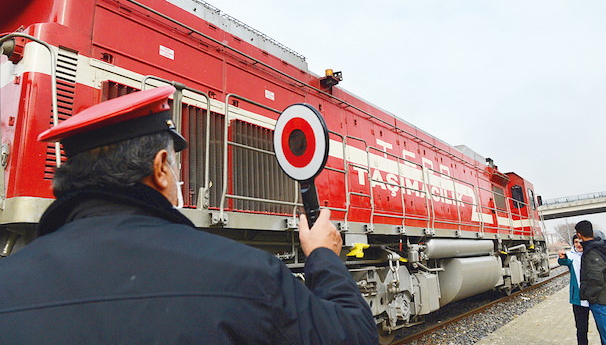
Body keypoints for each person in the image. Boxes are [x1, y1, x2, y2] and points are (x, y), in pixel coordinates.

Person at [0, 86, 378, 344]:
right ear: (162, 167)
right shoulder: (247, 274)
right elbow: (354, 336)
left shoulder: (8, 281)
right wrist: (324, 258)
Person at [558, 235, 590, 345]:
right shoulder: (571, 256)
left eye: (580, 241)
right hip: (578, 299)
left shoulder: (591, 254)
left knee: (602, 327)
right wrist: (562, 258)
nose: (579, 244)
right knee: (581, 329)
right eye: (576, 242)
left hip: (594, 298)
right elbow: (563, 261)